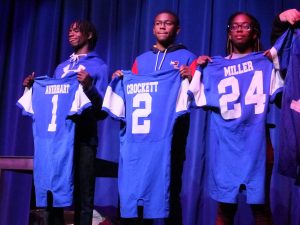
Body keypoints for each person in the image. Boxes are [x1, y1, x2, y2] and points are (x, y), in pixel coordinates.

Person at [193, 12, 285, 225]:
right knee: (225, 208)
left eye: (246, 26)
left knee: (260, 208)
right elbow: (196, 97)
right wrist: (198, 68)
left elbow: (281, 97)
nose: (240, 30)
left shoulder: (267, 62)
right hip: (226, 145)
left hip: (258, 143)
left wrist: (277, 63)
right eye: (235, 26)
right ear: (229, 33)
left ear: (255, 33)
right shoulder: (213, 67)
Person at [112, 10, 197, 225]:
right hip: (140, 139)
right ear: (152, 28)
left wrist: (192, 76)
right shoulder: (141, 60)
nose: (162, 27)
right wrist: (120, 79)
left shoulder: (188, 57)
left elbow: (198, 94)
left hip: (171, 136)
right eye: (158, 23)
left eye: (168, 24)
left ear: (177, 30)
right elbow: (130, 95)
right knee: (137, 186)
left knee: (170, 187)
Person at [23, 20, 108, 225]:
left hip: (84, 139)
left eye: (76, 30)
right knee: (54, 192)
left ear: (89, 35)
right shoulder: (61, 67)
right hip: (58, 140)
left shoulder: (99, 66)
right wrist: (32, 88)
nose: (71, 33)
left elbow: (102, 110)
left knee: (83, 196)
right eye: (69, 30)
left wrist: (89, 87)